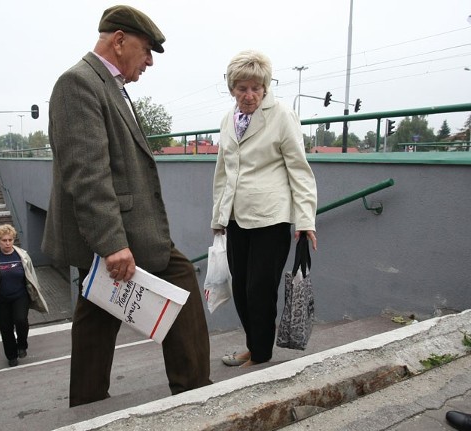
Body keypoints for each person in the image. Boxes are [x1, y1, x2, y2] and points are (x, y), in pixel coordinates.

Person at [42, 5, 212, 407]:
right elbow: (87, 173)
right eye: (147, 49)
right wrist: (112, 242)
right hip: (121, 234)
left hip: (126, 229)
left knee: (97, 317)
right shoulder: (78, 83)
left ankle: (87, 405)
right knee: (179, 280)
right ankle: (193, 396)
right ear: (119, 41)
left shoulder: (109, 84)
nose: (150, 61)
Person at [211, 50, 318, 368]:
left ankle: (261, 355)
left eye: (256, 88)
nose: (250, 95)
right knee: (241, 290)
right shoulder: (227, 120)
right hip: (235, 218)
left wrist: (305, 218)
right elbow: (222, 171)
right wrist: (218, 217)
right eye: (242, 88)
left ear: (265, 87)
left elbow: (299, 170)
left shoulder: (282, 114)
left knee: (259, 289)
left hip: (271, 218)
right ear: (232, 89)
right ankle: (253, 345)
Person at [0, 224, 48, 367]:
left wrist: (35, 291)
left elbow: (31, 275)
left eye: (10, 240)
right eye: (4, 240)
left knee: (21, 320)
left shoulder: (22, 255)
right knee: (6, 328)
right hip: (0, 300)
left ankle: (22, 345)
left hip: (20, 296)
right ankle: (11, 356)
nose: (8, 243)